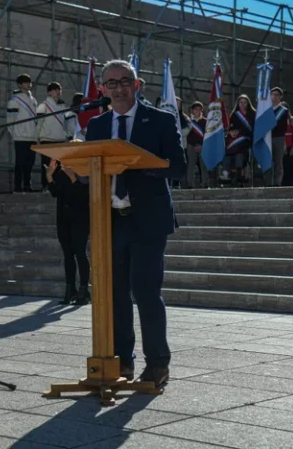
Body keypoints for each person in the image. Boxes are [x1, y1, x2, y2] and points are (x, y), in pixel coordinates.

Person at [84, 59, 185, 388]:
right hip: (110, 221)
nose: (118, 89)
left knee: (145, 291)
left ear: (137, 84)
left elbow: (178, 166)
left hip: (148, 220)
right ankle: (121, 361)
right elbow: (91, 170)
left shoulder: (160, 120)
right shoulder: (97, 126)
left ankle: (157, 364)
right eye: (111, 84)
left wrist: (136, 167)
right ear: (102, 90)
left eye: (124, 81)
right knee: (114, 295)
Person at [45, 154, 90, 305]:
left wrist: (73, 178)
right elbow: (55, 193)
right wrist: (50, 176)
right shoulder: (61, 174)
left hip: (80, 220)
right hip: (63, 220)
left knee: (80, 253)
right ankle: (70, 290)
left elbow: (84, 195)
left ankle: (84, 290)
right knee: (68, 255)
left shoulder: (85, 173)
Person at [7, 73, 39, 192]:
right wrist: (15, 133)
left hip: (32, 136)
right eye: (25, 82)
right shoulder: (14, 101)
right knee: (20, 162)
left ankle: (27, 184)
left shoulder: (33, 100)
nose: (28, 84)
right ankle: (17, 186)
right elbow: (10, 120)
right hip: (20, 137)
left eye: (29, 82)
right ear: (20, 84)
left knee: (30, 162)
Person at [37, 82, 70, 190]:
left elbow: (66, 124)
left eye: (59, 89)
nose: (58, 92)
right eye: (55, 90)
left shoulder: (63, 106)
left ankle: (58, 186)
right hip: (47, 139)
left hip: (60, 139)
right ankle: (46, 186)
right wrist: (37, 137)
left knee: (60, 166)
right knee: (47, 165)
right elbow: (38, 122)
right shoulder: (43, 106)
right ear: (49, 92)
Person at [225, 95, 254, 186]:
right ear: (237, 103)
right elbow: (231, 127)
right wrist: (232, 132)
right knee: (228, 155)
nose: (242, 104)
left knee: (240, 153)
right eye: (240, 102)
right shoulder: (234, 114)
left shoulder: (253, 114)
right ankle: (227, 177)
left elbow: (254, 129)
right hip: (235, 140)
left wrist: (240, 132)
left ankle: (239, 176)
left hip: (247, 140)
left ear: (248, 103)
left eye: (245, 102)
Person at [265, 87, 291, 186]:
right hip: (267, 137)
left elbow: (284, 126)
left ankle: (277, 183)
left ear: (280, 97)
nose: (274, 97)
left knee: (278, 161)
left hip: (279, 138)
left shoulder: (284, 110)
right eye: (272, 95)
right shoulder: (266, 109)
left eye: (276, 95)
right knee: (268, 160)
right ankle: (268, 182)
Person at [185, 101, 208, 188]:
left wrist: (201, 145)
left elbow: (207, 134)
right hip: (191, 145)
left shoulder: (206, 122)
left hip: (203, 145)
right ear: (192, 110)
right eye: (196, 109)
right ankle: (190, 184)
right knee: (190, 165)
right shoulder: (189, 122)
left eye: (199, 109)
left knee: (203, 165)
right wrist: (194, 145)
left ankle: (205, 183)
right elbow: (188, 135)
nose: (197, 111)